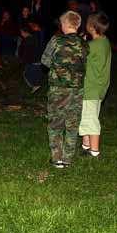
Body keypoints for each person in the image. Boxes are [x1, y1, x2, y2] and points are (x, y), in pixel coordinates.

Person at [41, 11, 88, 169]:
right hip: (77, 90)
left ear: (65, 25)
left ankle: (56, 158)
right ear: (78, 25)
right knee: (72, 124)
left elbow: (45, 61)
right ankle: (67, 159)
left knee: (55, 123)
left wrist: (58, 67)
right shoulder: (83, 43)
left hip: (58, 89)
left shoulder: (56, 40)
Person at [80, 13, 112, 158]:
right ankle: (86, 145)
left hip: (91, 87)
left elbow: (79, 57)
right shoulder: (104, 41)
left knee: (91, 119)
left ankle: (94, 151)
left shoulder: (91, 46)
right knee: (86, 116)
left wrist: (81, 42)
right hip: (99, 86)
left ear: (92, 27)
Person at [18, 23, 44, 92]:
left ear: (25, 32)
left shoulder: (27, 41)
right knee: (36, 73)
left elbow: (26, 52)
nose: (21, 34)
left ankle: (35, 86)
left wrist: (22, 59)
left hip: (32, 61)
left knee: (27, 74)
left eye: (21, 32)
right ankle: (37, 85)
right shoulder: (35, 37)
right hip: (38, 60)